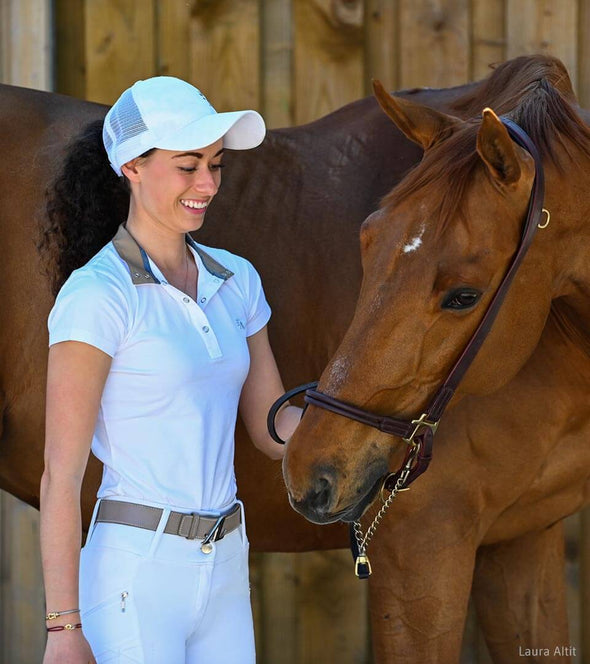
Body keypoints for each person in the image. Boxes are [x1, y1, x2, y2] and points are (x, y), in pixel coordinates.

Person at [39, 76, 301, 664]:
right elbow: (61, 476)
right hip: (135, 573)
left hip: (227, 564)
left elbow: (272, 428)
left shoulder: (237, 279)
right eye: (187, 166)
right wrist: (63, 628)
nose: (207, 184)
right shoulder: (97, 295)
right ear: (132, 166)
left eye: (215, 164)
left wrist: (368, 425)